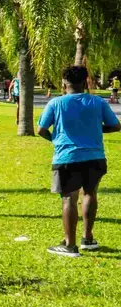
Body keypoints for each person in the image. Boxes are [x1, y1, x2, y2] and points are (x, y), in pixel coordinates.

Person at [37, 65, 121, 257]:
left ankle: (70, 245)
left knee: (69, 197)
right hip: (94, 156)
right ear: (85, 82)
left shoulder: (56, 104)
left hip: (67, 157)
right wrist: (96, 131)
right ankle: (87, 238)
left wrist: (56, 140)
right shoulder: (97, 102)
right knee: (90, 194)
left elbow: (41, 129)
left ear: (64, 83)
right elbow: (116, 126)